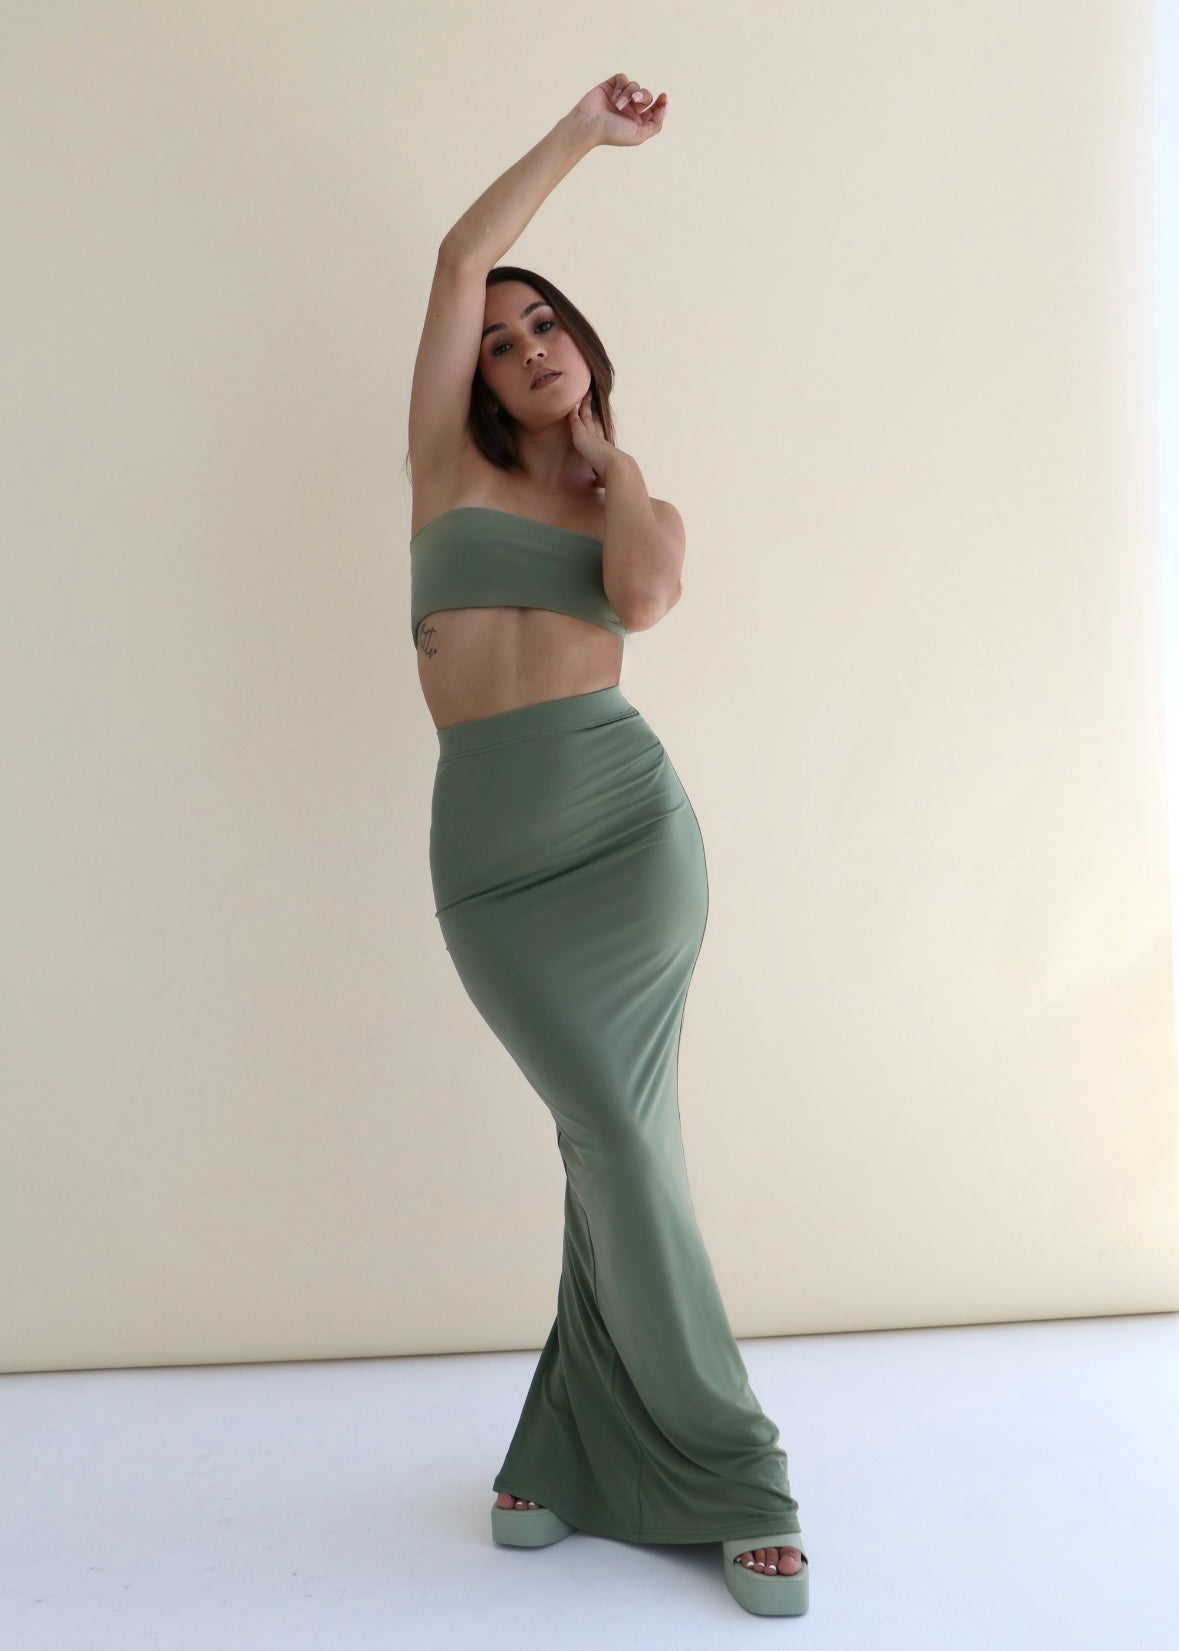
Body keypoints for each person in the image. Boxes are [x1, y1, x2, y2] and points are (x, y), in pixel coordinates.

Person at [407, 72, 809, 1619]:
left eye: (545, 325)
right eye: (502, 343)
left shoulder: (641, 511)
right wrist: (582, 135)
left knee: (620, 1142)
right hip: (494, 866)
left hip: (629, 839)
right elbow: (459, 257)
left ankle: (737, 1466)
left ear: (586, 344)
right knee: (610, 1138)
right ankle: (576, 1442)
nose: (525, 346)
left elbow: (641, 600)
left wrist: (614, 465)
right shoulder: (443, 473)